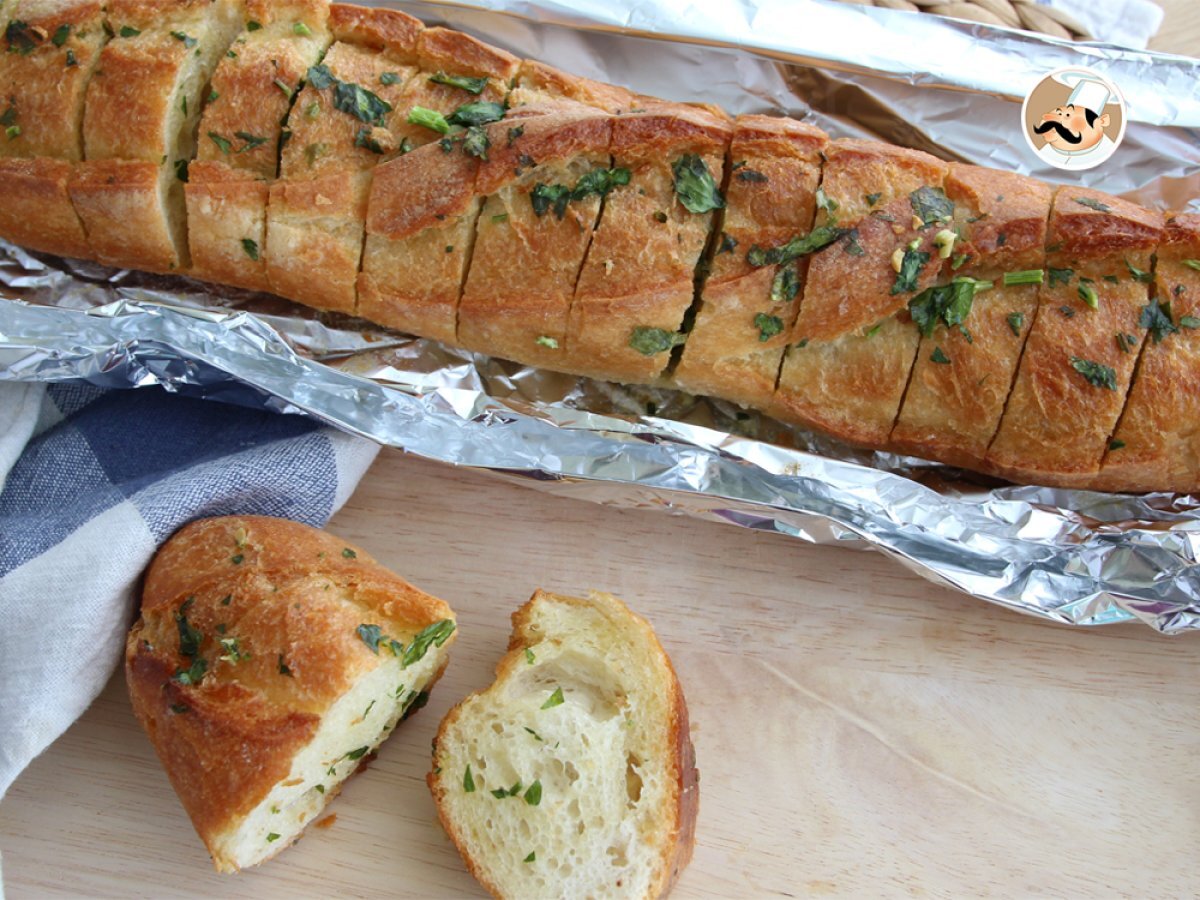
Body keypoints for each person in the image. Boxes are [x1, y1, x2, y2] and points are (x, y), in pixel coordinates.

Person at [1032, 70, 1120, 170]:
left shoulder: (1111, 157)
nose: (1057, 121)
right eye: (1059, 113)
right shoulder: (1043, 152)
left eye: (1068, 116)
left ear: (1102, 121)